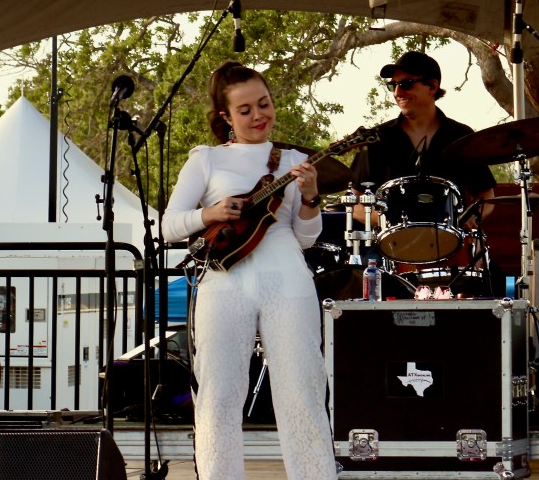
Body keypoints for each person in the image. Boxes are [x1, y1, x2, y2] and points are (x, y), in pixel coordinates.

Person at [162, 61, 337, 480]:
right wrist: (210, 213)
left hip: (287, 279)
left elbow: (305, 238)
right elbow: (169, 226)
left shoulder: (294, 160)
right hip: (225, 283)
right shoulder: (206, 160)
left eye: (264, 104)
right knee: (219, 394)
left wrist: (311, 198)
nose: (259, 115)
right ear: (225, 116)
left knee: (302, 390)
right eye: (245, 110)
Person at [349, 51, 497, 291]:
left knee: (490, 281)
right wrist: (383, 222)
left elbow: (486, 197)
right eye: (394, 85)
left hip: (451, 251)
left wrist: (472, 220)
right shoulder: (377, 139)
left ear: (433, 86)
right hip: (390, 253)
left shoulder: (461, 136)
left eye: (406, 83)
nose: (398, 92)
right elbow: (354, 201)